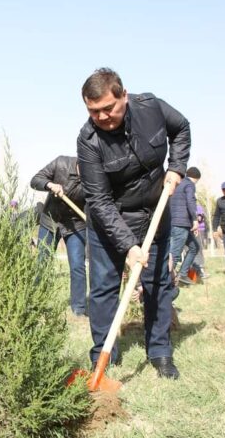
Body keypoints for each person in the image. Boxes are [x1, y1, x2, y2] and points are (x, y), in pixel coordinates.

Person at [76, 68, 190, 380]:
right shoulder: (88, 141)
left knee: (157, 284)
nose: (101, 117)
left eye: (107, 108)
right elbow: (98, 200)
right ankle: (104, 354)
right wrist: (128, 246)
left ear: (124, 96)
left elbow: (181, 128)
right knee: (103, 288)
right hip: (110, 220)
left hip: (155, 211)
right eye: (93, 111)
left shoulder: (151, 107)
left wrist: (177, 167)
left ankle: (160, 351)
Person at [30, 155, 88, 316]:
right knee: (43, 262)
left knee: (77, 266)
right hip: (50, 221)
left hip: (76, 225)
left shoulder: (93, 177)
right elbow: (35, 180)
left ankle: (79, 309)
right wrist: (49, 184)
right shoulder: (61, 163)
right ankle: (36, 304)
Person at [169, 167, 202, 285]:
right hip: (181, 224)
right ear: (197, 178)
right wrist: (195, 220)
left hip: (174, 222)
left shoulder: (178, 183)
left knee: (194, 247)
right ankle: (166, 281)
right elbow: (190, 201)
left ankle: (182, 274)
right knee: (175, 254)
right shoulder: (189, 185)